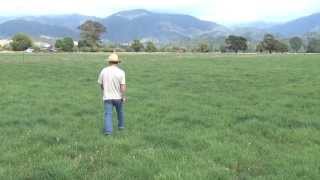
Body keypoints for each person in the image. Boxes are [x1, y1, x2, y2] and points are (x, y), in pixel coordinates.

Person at [98, 53, 126, 135]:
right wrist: (123, 96)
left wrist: (104, 91)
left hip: (107, 97)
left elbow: (101, 83)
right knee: (120, 112)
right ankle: (121, 127)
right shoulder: (121, 72)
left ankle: (108, 131)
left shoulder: (103, 70)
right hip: (118, 97)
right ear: (117, 62)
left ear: (109, 62)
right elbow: (123, 86)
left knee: (108, 114)